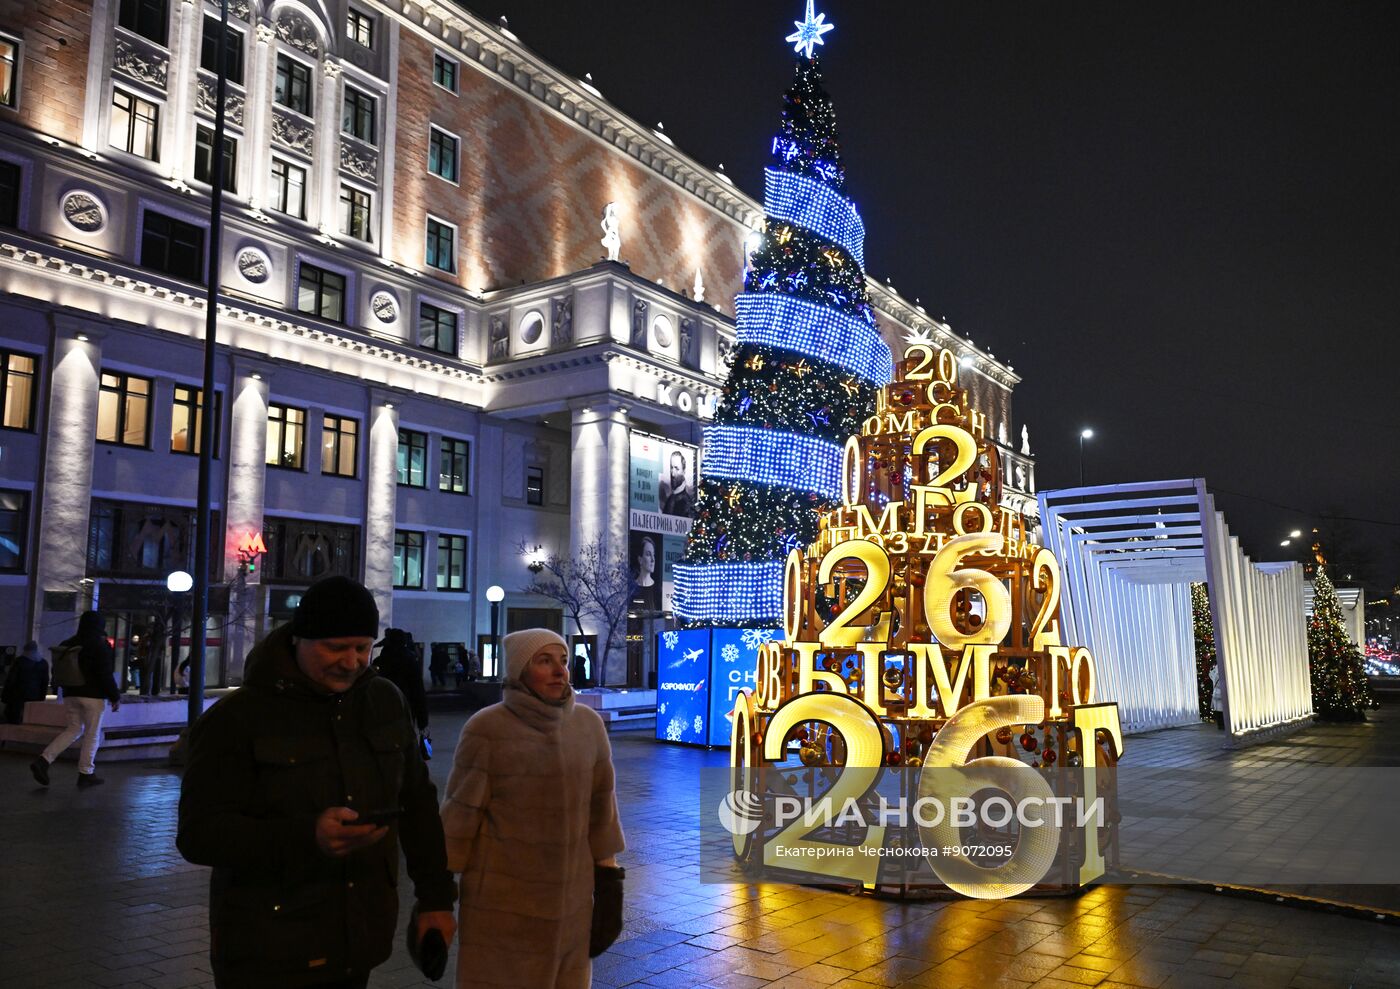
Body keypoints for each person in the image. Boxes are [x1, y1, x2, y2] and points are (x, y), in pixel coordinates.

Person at [177, 576, 456, 989]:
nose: (352, 661)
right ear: (299, 640)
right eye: (337, 648)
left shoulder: (384, 701)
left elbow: (417, 803)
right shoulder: (236, 718)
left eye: (362, 648)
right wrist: (307, 836)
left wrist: (436, 899)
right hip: (267, 948)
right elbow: (198, 834)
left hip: (357, 938)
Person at [441, 628, 625, 988]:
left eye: (563, 661)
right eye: (544, 661)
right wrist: (437, 898)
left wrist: (609, 885)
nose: (560, 671)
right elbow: (459, 819)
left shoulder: (587, 726)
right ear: (519, 671)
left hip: (572, 906)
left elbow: (602, 809)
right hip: (504, 910)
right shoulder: (488, 728)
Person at [31, 611, 119, 788]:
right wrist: (114, 696)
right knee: (92, 734)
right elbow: (104, 674)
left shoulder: (68, 644)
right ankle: (86, 773)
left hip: (71, 694)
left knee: (73, 729)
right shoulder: (99, 646)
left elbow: (57, 670)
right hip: (93, 697)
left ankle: (44, 760)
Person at [373, 628, 430, 755]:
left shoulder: (381, 660)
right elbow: (418, 690)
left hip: (383, 707)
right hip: (406, 706)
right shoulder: (410, 659)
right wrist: (423, 720)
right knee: (405, 742)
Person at [3, 640, 48, 725]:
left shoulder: (19, 661)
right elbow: (45, 682)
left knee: (14, 720)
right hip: (35, 696)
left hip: (17, 696)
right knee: (31, 719)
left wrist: (5, 697)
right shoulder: (43, 663)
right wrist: (42, 698)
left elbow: (11, 680)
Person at [658, 450, 693, 517]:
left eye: (677, 469)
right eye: (671, 468)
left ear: (684, 471)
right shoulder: (670, 498)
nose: (673, 474)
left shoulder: (686, 502)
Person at [632, 535, 662, 612]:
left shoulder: (658, 590)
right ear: (640, 559)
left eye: (653, 555)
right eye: (648, 554)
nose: (653, 559)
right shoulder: (632, 589)